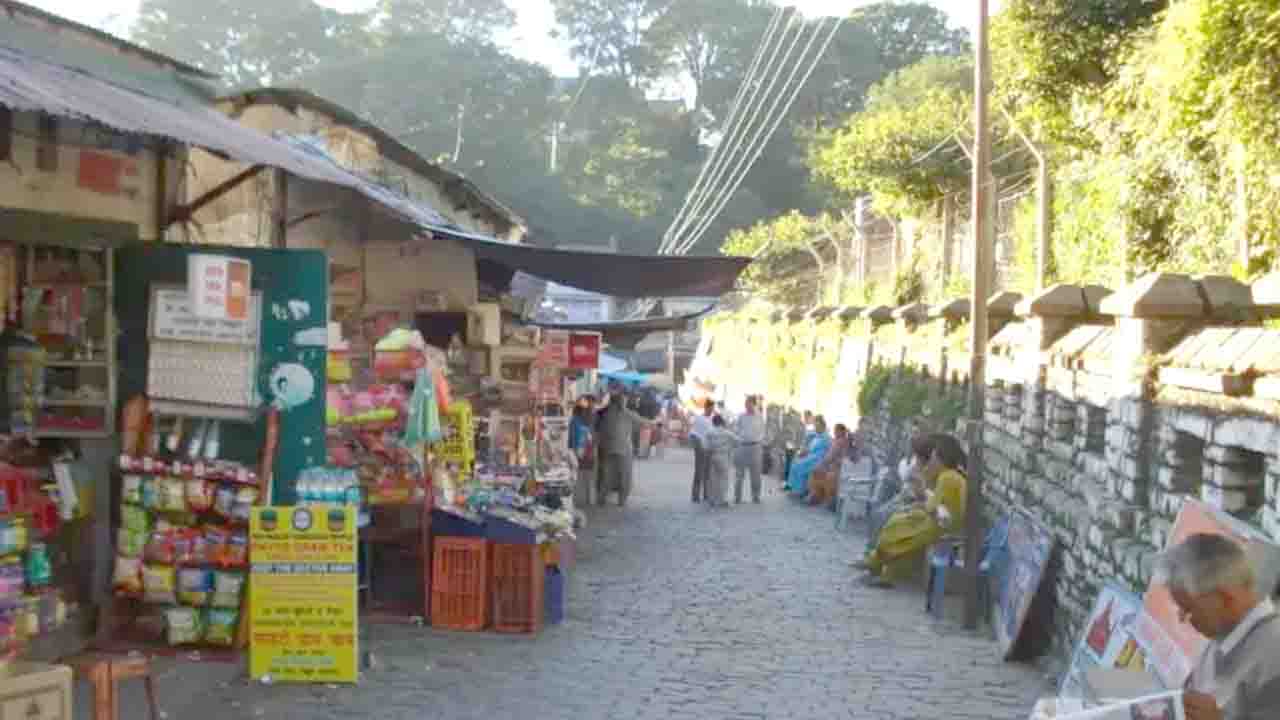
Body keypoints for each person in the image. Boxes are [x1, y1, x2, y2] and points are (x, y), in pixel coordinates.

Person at [1158, 533, 1280, 720]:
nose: (1183, 619)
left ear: (1226, 598)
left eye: (1189, 609)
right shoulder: (1223, 634)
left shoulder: (1273, 655)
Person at [857, 433, 967, 587]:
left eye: (934, 458)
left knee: (897, 528)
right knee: (897, 521)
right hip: (939, 522)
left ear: (942, 460)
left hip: (939, 527)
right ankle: (881, 567)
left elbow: (933, 506)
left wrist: (921, 501)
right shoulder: (951, 476)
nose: (931, 462)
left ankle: (878, 564)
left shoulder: (947, 478)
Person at [594, 383, 655, 507]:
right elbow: (644, 422)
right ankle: (622, 500)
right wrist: (655, 423)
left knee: (607, 475)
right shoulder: (626, 412)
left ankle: (601, 498)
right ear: (622, 401)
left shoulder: (603, 413)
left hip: (607, 448)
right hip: (623, 449)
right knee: (625, 476)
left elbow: (597, 428)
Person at [806, 423, 854, 507]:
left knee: (815, 471)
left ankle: (816, 497)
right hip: (840, 468)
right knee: (818, 471)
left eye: (836, 430)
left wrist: (821, 465)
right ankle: (817, 496)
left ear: (841, 431)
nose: (834, 432)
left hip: (837, 469)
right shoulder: (844, 441)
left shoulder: (839, 442)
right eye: (834, 430)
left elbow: (830, 457)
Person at [784, 415, 831, 497]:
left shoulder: (826, 437)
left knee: (800, 466)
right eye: (815, 425)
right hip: (811, 457)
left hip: (818, 459)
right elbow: (809, 447)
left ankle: (799, 491)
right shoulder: (815, 436)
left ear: (822, 425)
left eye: (817, 426)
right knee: (795, 463)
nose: (815, 428)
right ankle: (792, 487)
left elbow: (828, 451)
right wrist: (804, 452)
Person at [732, 396, 766, 504]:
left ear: (754, 404)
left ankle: (756, 496)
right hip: (742, 446)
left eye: (749, 404)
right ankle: (737, 497)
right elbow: (735, 428)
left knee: (756, 474)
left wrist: (759, 439)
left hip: (755, 447)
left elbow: (763, 430)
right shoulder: (741, 416)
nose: (747, 406)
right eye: (745, 404)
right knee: (739, 474)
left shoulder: (759, 416)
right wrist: (740, 436)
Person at [702, 414, 739, 508]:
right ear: (722, 422)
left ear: (713, 422)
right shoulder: (727, 432)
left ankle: (712, 500)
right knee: (724, 479)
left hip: (713, 456)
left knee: (713, 479)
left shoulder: (709, 432)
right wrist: (730, 447)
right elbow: (737, 441)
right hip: (723, 456)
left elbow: (705, 446)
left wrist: (710, 449)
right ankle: (723, 499)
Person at [569, 396, 595, 507]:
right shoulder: (589, 419)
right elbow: (590, 436)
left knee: (576, 475)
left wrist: (573, 448)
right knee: (587, 476)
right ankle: (589, 499)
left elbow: (573, 436)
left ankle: (576, 498)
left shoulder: (575, 420)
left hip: (579, 450)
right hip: (587, 451)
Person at [688, 401, 714, 503]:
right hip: (700, 449)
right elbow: (693, 434)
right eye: (711, 408)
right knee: (699, 472)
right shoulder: (699, 419)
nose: (712, 410)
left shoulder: (712, 420)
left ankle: (706, 494)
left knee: (708, 473)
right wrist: (698, 446)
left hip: (709, 449)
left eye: (713, 408)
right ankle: (695, 495)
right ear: (706, 408)